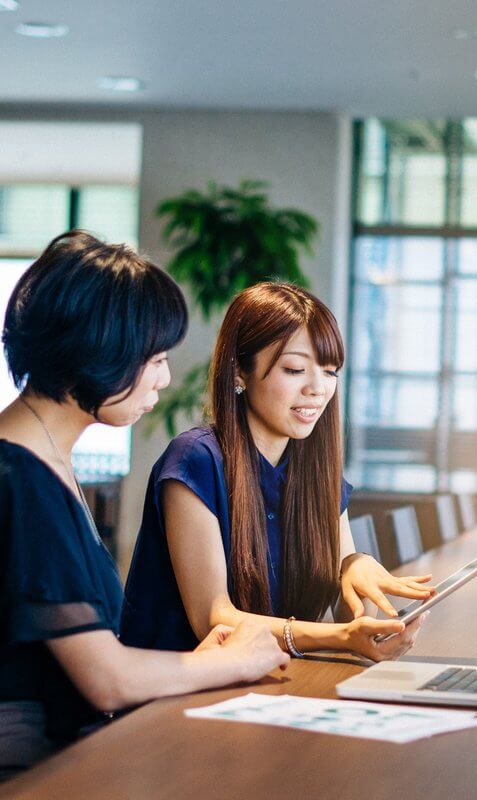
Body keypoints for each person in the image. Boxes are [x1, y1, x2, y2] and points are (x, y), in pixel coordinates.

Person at [0, 232, 289, 780]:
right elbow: (106, 679)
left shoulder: (38, 459)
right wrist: (235, 660)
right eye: (154, 358)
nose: (164, 377)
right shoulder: (24, 478)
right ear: (100, 351)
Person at [121, 282, 433, 661]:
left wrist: (355, 567)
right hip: (175, 698)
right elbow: (214, 621)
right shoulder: (195, 460)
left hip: (270, 686)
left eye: (330, 371)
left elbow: (351, 622)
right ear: (239, 371)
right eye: (295, 369)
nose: (318, 388)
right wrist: (341, 637)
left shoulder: (317, 473)